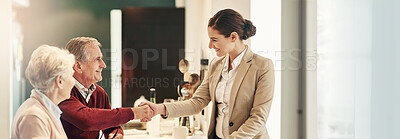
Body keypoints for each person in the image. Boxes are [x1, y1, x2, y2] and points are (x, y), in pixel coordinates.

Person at [140, 9, 275, 139]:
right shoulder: (216, 65)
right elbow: (196, 103)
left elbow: (258, 117)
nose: (210, 45)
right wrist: (158, 109)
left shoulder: (262, 66)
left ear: (233, 37)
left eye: (214, 39)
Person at [58, 37, 153, 139]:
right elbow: (86, 119)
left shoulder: (99, 92)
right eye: (97, 59)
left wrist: (115, 133)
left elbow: (111, 124)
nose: (103, 65)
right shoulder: (61, 92)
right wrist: (133, 113)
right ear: (78, 66)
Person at [11, 45, 75, 139]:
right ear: (60, 81)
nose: (73, 82)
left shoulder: (45, 110)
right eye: (71, 76)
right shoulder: (34, 117)